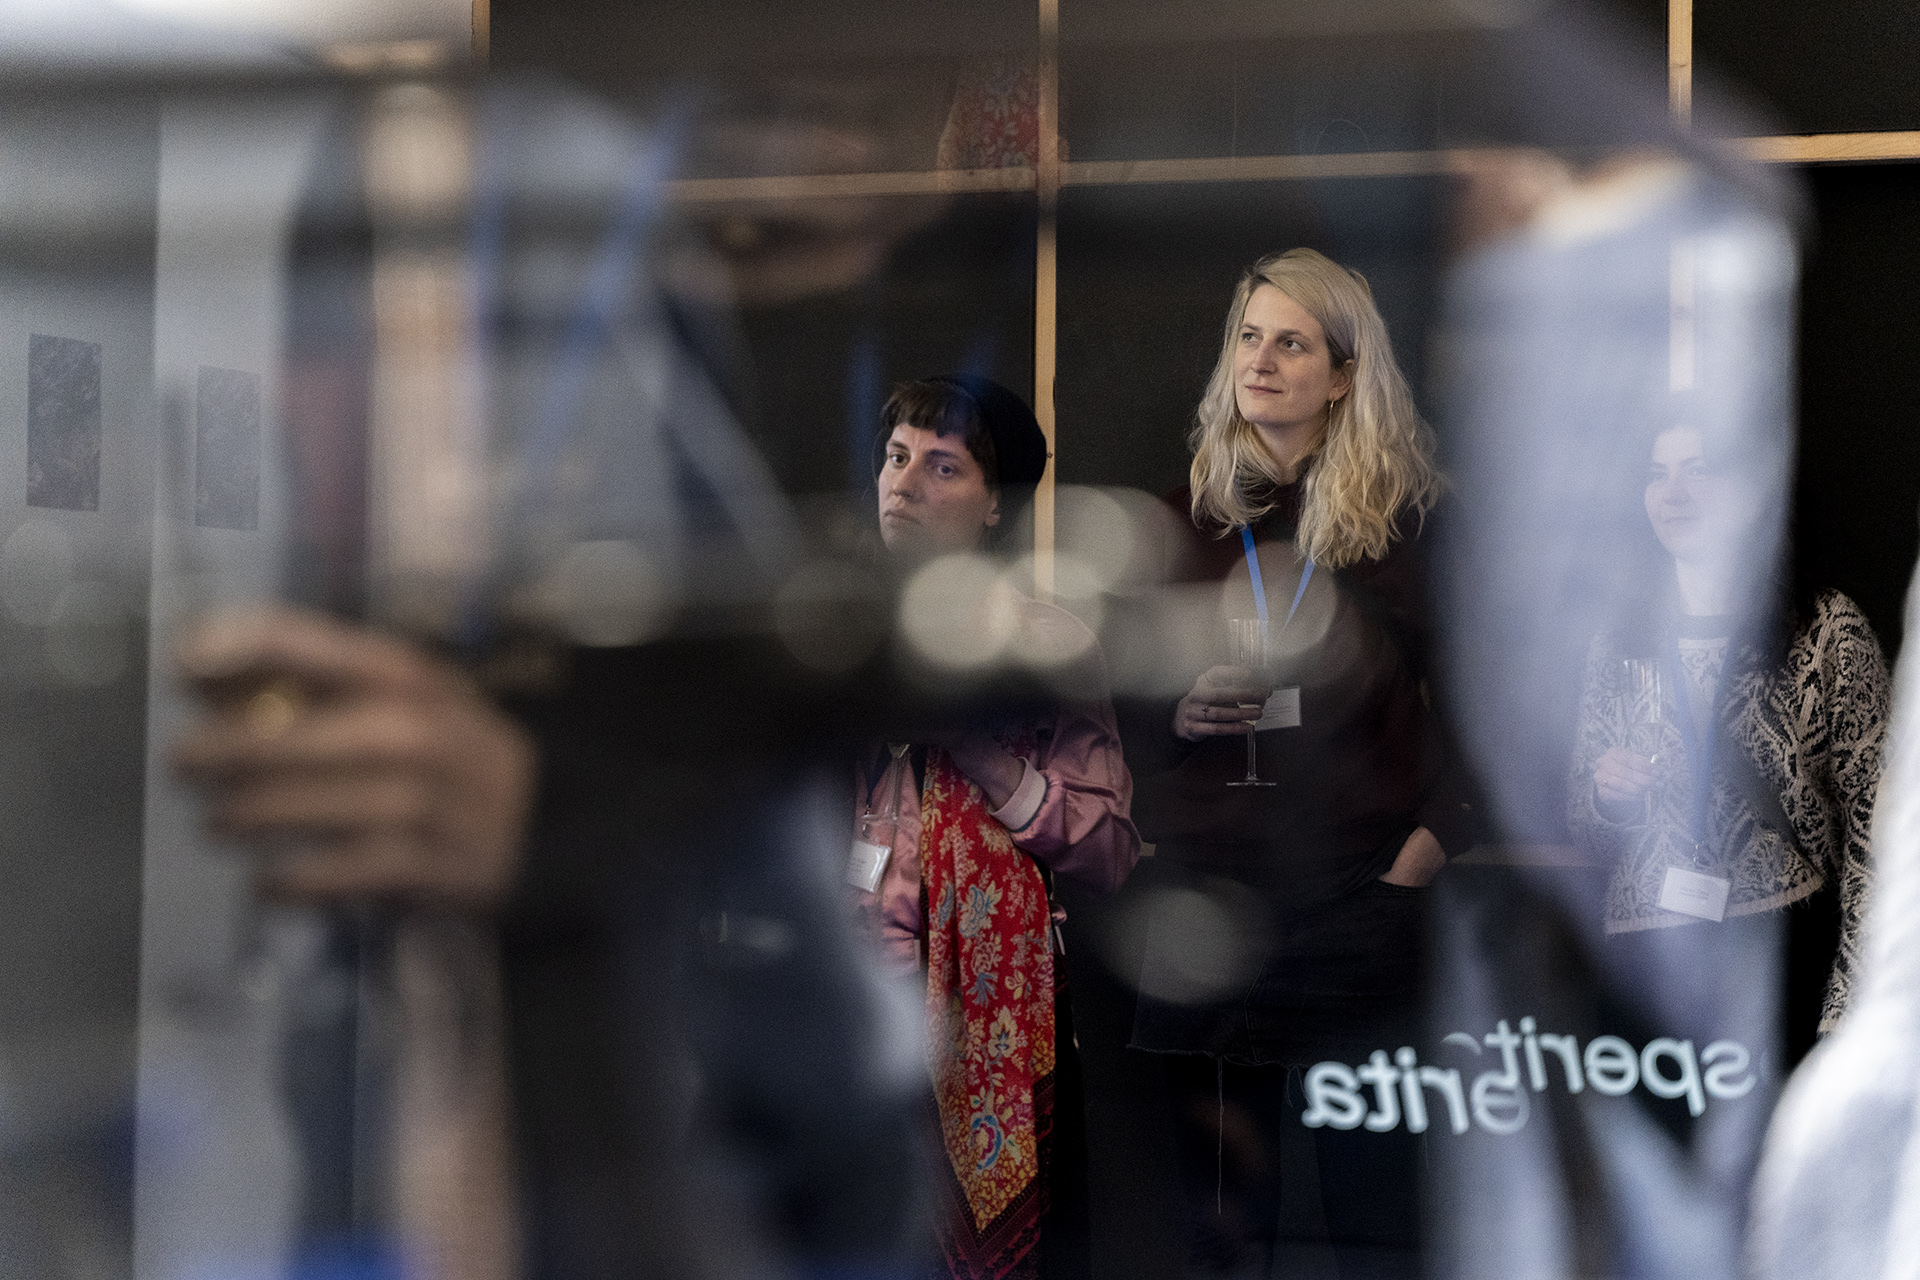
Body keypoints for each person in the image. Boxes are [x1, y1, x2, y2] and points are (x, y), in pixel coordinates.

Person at [1122, 248, 1476, 1275]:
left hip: (1356, 906)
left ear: (1344, 375)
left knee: (1367, 1220)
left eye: (1291, 343)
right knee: (1217, 1229)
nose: (1261, 361)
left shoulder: (1411, 526)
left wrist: (1426, 848)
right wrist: (1181, 712)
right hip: (1211, 913)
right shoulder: (1184, 520)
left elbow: (1491, 715)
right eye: (1249, 337)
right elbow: (1126, 719)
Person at [857, 374, 1140, 1280]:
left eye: (943, 467)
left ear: (993, 506)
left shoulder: (1041, 644)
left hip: (991, 1023)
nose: (905, 485)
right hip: (844, 1002)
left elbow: (1110, 849)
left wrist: (980, 753)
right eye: (896, 458)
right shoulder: (826, 638)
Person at [1570, 420, 1891, 1043]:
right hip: (1645, 965)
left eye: (1698, 470)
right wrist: (1608, 796)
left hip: (1780, 962)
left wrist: (1849, 1004)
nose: (1674, 493)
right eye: (1657, 475)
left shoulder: (1826, 630)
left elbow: (1872, 830)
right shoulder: (1618, 639)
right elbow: (1585, 821)